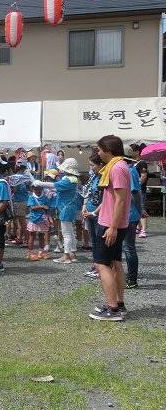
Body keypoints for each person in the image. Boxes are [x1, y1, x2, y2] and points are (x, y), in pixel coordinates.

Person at [89, 135, 131, 322]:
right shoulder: (115, 167)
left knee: (101, 264)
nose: (98, 153)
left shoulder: (117, 168)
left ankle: (113, 309)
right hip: (110, 222)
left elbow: (121, 199)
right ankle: (118, 304)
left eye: (99, 150)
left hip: (110, 224)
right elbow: (112, 198)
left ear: (108, 149)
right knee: (114, 262)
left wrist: (112, 227)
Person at [33, 158, 82, 264]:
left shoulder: (68, 180)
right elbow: (58, 188)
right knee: (70, 232)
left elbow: (54, 185)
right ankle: (72, 253)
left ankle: (66, 256)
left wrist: (40, 183)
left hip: (66, 208)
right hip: (69, 207)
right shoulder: (73, 179)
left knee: (67, 233)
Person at [123, 145, 145, 290]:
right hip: (128, 214)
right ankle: (129, 277)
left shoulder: (130, 172)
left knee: (129, 248)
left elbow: (135, 193)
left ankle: (132, 279)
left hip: (130, 215)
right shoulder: (129, 170)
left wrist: (140, 210)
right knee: (126, 247)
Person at [82, 155, 104, 279]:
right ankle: (95, 265)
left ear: (100, 165)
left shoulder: (104, 177)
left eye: (92, 165)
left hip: (98, 213)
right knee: (93, 242)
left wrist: (94, 212)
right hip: (89, 211)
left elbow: (106, 199)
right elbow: (88, 193)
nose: (90, 167)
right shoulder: (93, 176)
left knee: (99, 242)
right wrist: (84, 206)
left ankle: (100, 266)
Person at [9, 160, 32, 246]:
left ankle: (28, 241)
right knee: (22, 221)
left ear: (18, 166)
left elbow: (14, 190)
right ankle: (20, 238)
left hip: (19, 201)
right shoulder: (27, 176)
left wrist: (11, 186)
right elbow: (30, 188)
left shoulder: (14, 177)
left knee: (22, 223)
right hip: (26, 199)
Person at [26, 184, 52, 260]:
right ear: (33, 189)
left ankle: (41, 251)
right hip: (34, 219)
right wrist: (42, 206)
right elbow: (32, 207)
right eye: (36, 189)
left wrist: (50, 219)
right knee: (32, 235)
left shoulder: (45, 198)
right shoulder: (31, 197)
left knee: (41, 235)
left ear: (42, 189)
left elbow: (48, 210)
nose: (38, 191)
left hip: (43, 220)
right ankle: (30, 252)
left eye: (39, 189)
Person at [130, 143, 148, 238]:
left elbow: (144, 176)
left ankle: (144, 229)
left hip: (140, 189)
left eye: (131, 151)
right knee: (135, 208)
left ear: (137, 152)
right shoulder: (131, 163)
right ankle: (138, 227)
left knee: (142, 207)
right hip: (131, 190)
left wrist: (137, 185)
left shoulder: (142, 162)